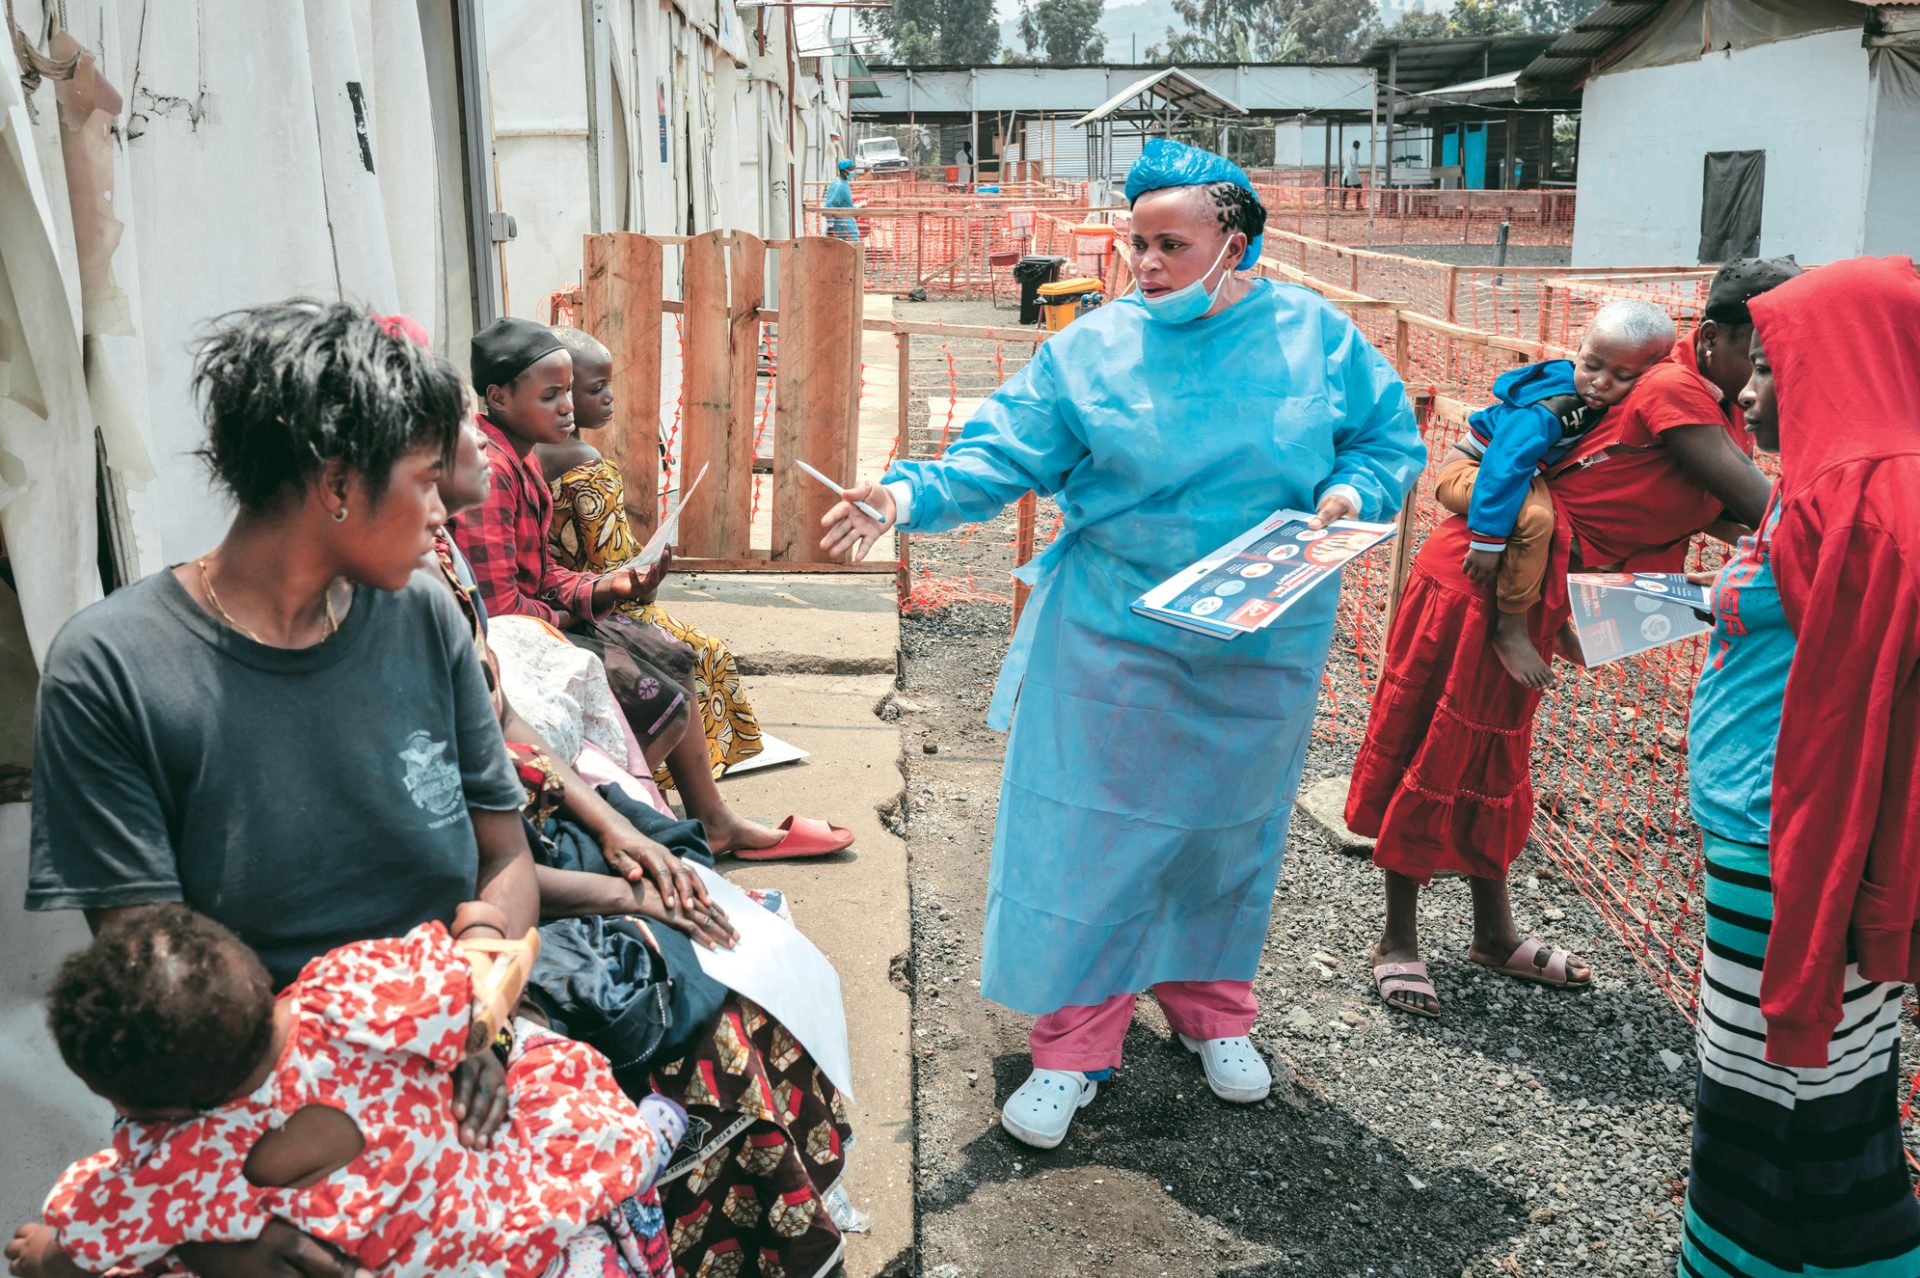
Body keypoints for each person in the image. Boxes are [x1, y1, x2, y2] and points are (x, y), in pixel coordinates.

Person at [18, 302, 661, 1278]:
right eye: (424, 481)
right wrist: (235, 1235)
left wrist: (474, 1007)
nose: (448, 511)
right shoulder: (113, 672)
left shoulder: (424, 625)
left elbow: (503, 860)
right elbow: (159, 991)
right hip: (234, 1115)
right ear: (335, 485)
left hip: (438, 1041)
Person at [819, 139, 1424, 1148]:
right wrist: (904, 493)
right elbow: (1000, 451)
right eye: (1136, 243)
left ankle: (1211, 1009)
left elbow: (1385, 438)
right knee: (1088, 840)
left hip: (1259, 637)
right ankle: (1071, 1046)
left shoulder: (1320, 340)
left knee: (1223, 835)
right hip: (1114, 635)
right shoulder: (1090, 349)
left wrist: (1352, 491)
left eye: (1170, 245)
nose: (1145, 266)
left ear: (1239, 243)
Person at [432, 410, 864, 1278]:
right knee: (706, 996)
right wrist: (620, 890)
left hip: (521, 858)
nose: (480, 445)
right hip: (483, 912)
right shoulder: (400, 608)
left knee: (713, 904)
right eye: (444, 454)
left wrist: (618, 825)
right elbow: (461, 868)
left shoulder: (433, 584)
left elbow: (502, 726)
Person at [1346, 257, 1798, 1020]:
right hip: (1477, 591)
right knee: (1436, 747)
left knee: (1495, 757)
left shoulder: (1714, 405)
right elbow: (1766, 509)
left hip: (1540, 598)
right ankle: (1396, 940)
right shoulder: (1673, 391)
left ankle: (1493, 935)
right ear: (1714, 337)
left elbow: (1710, 509)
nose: (1771, 373)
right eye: (1765, 354)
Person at [8, 907, 686, 1278]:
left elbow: (83, 1240)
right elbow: (478, 982)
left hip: (411, 1264)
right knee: (547, 1077)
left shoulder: (170, 1172)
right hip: (488, 1220)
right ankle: (636, 1168)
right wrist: (480, 927)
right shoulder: (350, 992)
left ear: (156, 1109)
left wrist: (41, 1251)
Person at [1677, 254, 1920, 1277]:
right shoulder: (1843, 480)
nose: (1752, 389)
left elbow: (1857, 714)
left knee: (1764, 1085)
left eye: (1776, 366)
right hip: (1783, 833)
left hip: (1793, 846)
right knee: (1834, 1093)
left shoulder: (1861, 495)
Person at [452, 317, 811, 858]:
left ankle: (710, 819)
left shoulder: (522, 457)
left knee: (674, 655)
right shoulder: (492, 472)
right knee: (649, 686)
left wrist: (610, 586)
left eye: (567, 393)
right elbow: (501, 610)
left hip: (537, 621)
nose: (567, 407)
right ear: (498, 397)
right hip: (511, 645)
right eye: (551, 396)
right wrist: (582, 611)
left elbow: (544, 573)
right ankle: (633, 833)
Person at [538, 326, 769, 784]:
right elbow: (614, 567)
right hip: (595, 603)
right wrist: (647, 573)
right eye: (596, 388)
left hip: (561, 595)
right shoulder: (586, 464)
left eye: (609, 386)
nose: (608, 398)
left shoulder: (530, 457)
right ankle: (683, 777)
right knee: (705, 653)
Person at [1434, 299, 1677, 688]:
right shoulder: (1554, 407)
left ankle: (1550, 618)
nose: (1599, 382)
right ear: (1578, 351)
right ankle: (1510, 627)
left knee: (1571, 515)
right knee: (1535, 518)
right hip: (1469, 471)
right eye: (1591, 365)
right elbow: (1504, 465)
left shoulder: (1621, 397)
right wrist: (1487, 540)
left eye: (1622, 375)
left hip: (1526, 474)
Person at [825, 158, 859, 243]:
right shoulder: (839, 186)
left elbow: (843, 202)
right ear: (845, 171)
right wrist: (830, 225)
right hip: (843, 224)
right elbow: (830, 205)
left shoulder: (843, 182)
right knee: (852, 246)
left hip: (846, 221)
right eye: (851, 169)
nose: (853, 172)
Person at [1340, 139, 1362, 210]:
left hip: (1346, 172)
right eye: (1358, 146)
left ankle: (1342, 205)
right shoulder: (1355, 151)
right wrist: (1358, 165)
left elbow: (1343, 159)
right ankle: (1358, 205)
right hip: (1352, 172)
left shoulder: (1346, 151)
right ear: (1357, 145)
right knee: (1359, 188)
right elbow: (1354, 162)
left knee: (1346, 189)